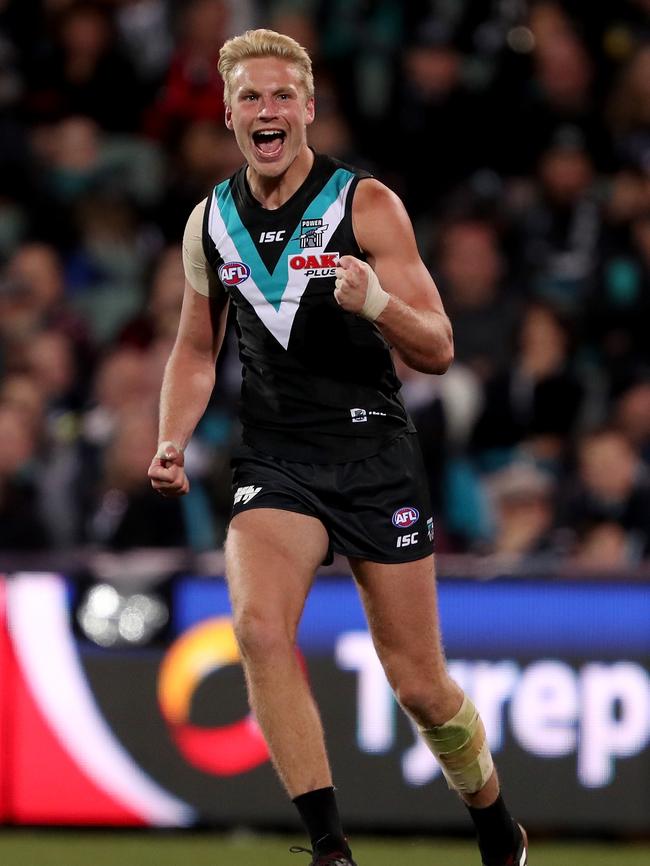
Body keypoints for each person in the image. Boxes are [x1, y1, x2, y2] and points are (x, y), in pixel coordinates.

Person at [148, 29, 528, 866]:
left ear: (310, 109)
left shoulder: (366, 206)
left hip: (372, 454)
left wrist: (378, 302)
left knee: (420, 685)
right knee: (255, 626)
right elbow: (193, 349)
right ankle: (330, 849)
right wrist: (171, 437)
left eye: (282, 94)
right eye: (250, 96)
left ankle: (496, 825)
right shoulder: (209, 223)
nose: (267, 109)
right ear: (228, 112)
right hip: (276, 459)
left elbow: (437, 347)